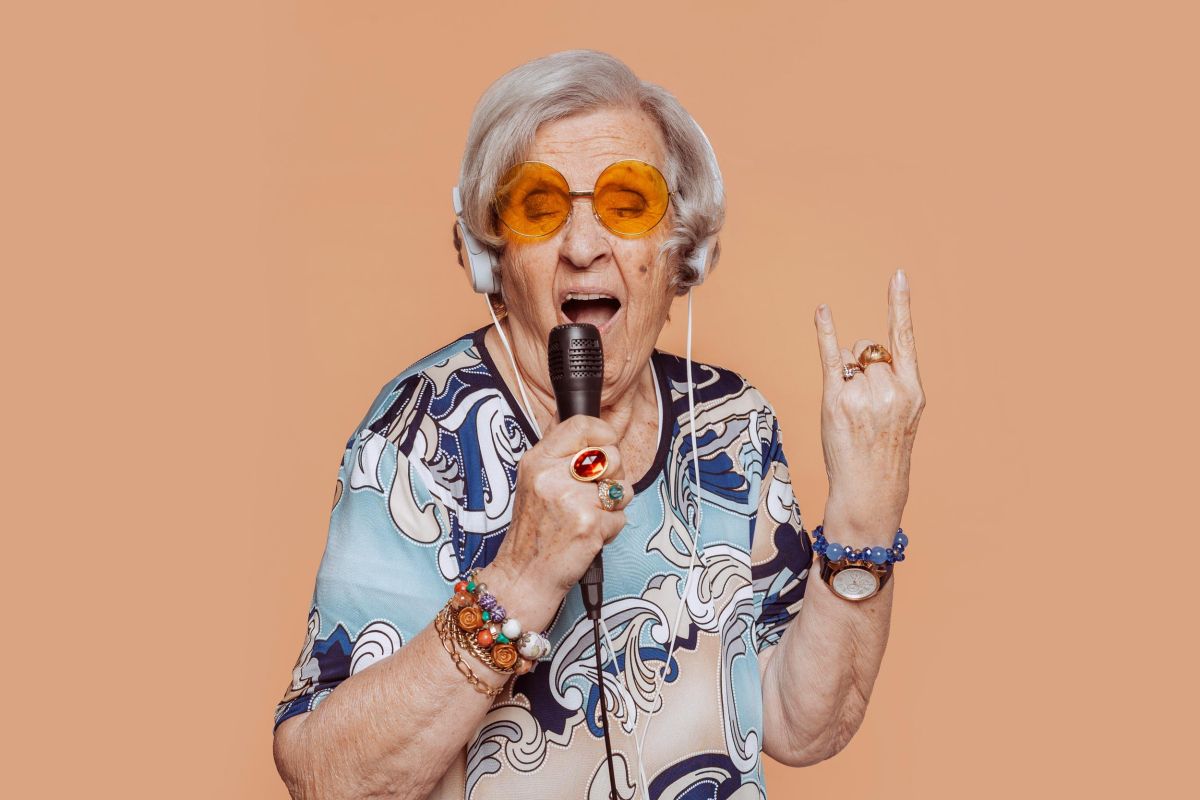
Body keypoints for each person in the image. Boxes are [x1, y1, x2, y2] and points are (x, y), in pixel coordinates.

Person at [271, 49, 925, 800]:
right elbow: (328, 780)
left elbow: (798, 724)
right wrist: (520, 578)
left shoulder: (731, 423)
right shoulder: (419, 437)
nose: (583, 247)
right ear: (492, 260)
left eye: (627, 203)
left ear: (683, 251)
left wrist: (868, 504)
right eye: (540, 207)